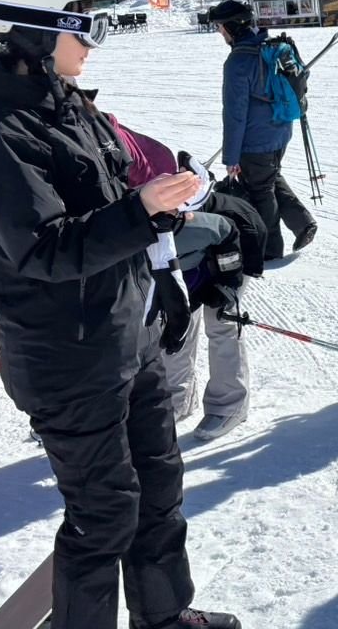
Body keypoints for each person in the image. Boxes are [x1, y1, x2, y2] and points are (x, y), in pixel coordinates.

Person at [0, 0, 239, 629]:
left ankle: (162, 618)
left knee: (159, 484)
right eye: (86, 26)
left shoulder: (62, 103)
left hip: (123, 331)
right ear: (34, 31)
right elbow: (43, 248)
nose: (95, 41)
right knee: (104, 509)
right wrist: (140, 211)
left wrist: (165, 218)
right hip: (66, 356)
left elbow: (115, 198)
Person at [109, 117, 266, 442]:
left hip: (230, 263)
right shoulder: (130, 204)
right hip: (189, 267)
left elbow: (241, 239)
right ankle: (178, 399)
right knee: (176, 329)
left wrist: (226, 284)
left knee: (222, 326)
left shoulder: (207, 221)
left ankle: (229, 405)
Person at [209, 0, 316, 261]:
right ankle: (302, 223)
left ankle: (270, 250)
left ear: (232, 27)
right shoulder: (270, 48)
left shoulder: (238, 62)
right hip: (280, 132)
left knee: (260, 191)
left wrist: (231, 157)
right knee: (268, 176)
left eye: (220, 27)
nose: (219, 32)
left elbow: (235, 114)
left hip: (255, 140)